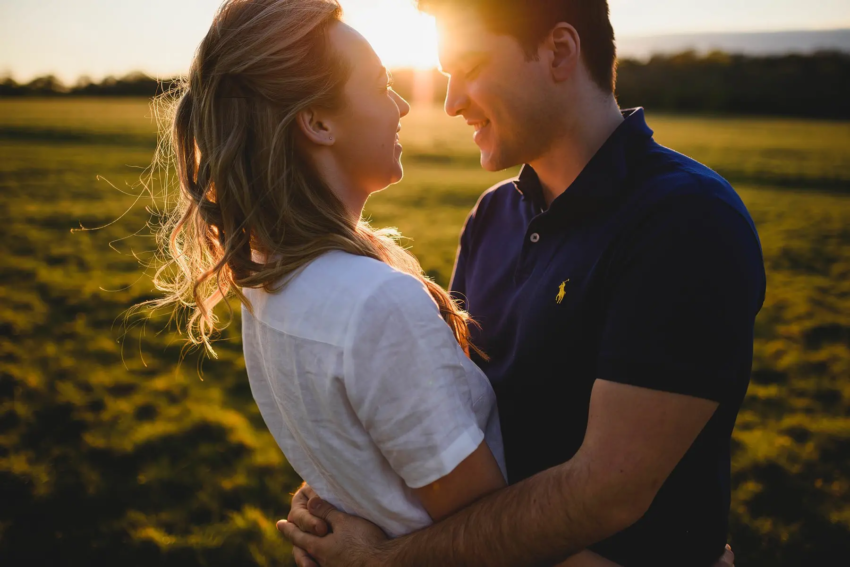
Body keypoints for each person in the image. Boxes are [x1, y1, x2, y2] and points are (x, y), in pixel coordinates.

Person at [280, 0, 765, 565]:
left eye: (472, 67)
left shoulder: (685, 221)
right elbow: (451, 418)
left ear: (559, 51)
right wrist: (342, 491)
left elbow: (607, 495)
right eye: (446, 75)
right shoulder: (492, 218)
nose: (452, 100)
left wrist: (386, 561)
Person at [148, 0, 627, 565]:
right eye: (380, 86)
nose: (404, 105)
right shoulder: (377, 303)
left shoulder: (267, 282)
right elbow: (487, 526)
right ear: (318, 123)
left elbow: (363, 458)